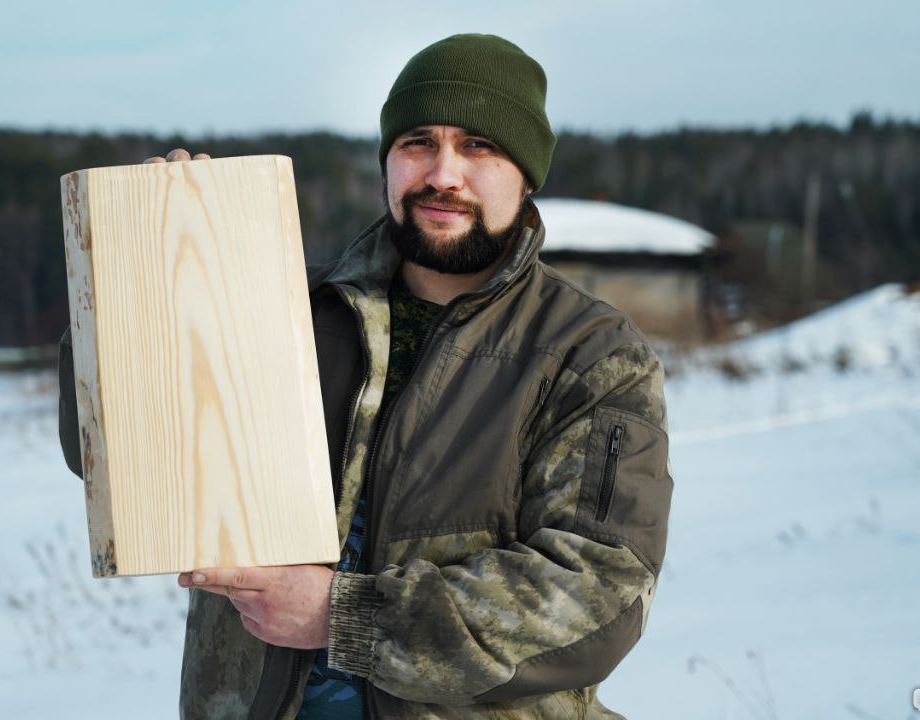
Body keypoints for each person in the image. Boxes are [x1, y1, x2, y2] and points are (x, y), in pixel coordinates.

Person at [58, 33, 672, 720]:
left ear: (526, 174)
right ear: (387, 162)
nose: (443, 174)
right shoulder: (284, 311)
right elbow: (131, 468)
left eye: (479, 147)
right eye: (417, 142)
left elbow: (598, 594)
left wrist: (345, 618)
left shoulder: (588, 353)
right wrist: (145, 258)